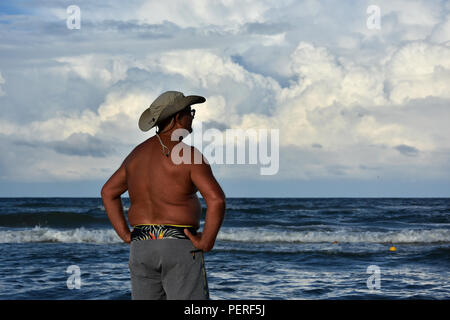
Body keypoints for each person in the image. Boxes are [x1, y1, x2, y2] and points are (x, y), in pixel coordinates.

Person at [101, 91, 226, 300]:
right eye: (190, 112)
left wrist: (125, 234)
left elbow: (108, 192)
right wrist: (206, 241)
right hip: (177, 246)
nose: (192, 117)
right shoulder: (188, 154)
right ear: (177, 117)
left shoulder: (135, 155)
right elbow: (217, 200)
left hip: (141, 247)